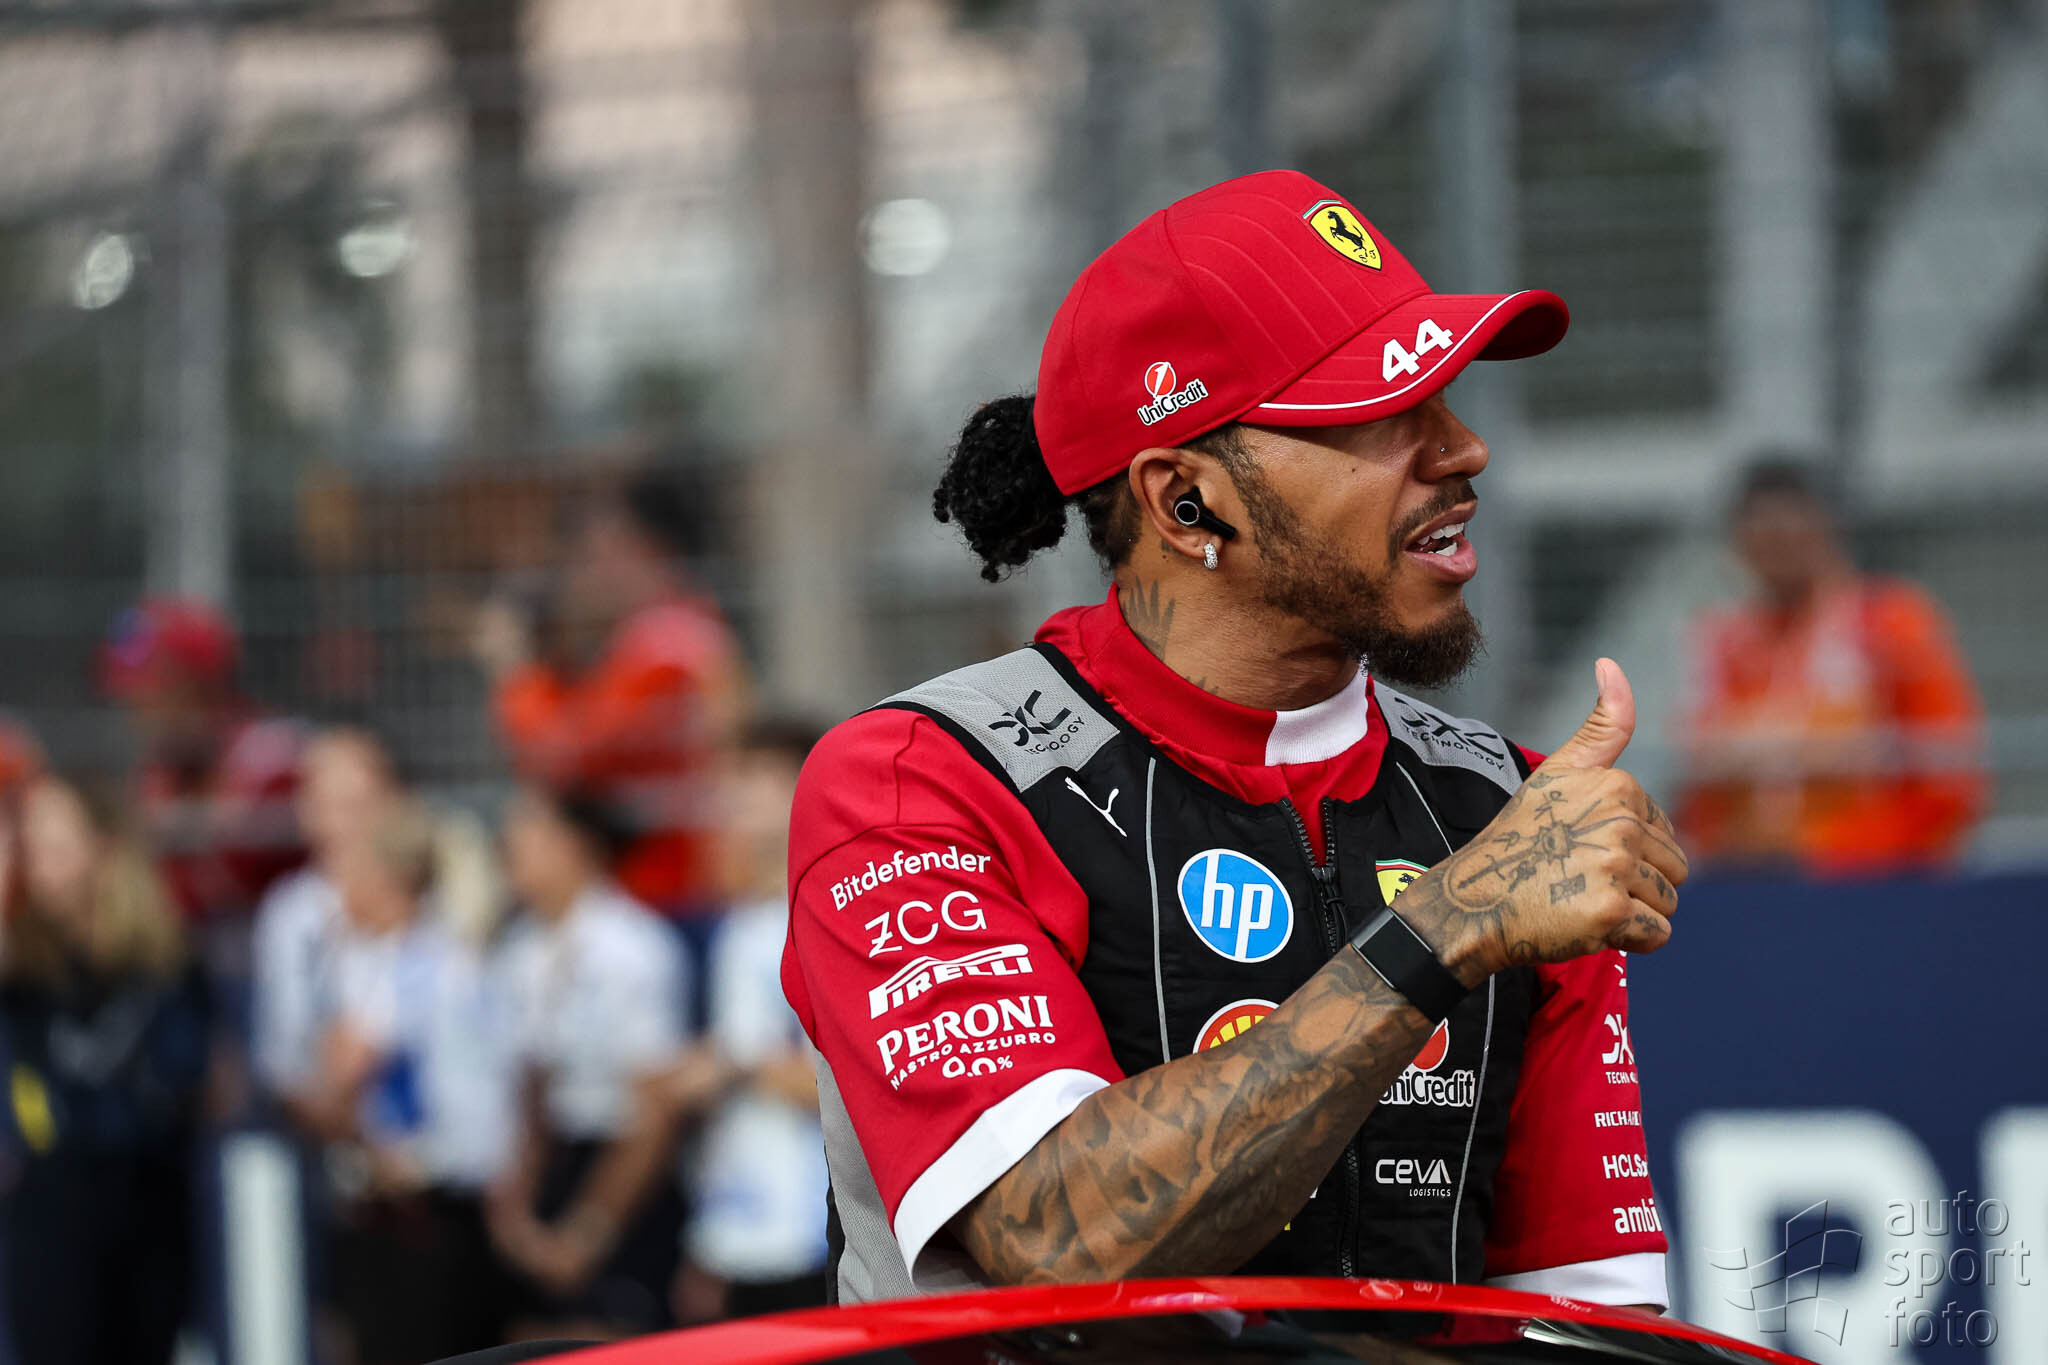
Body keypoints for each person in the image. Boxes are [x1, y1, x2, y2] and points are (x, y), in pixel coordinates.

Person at [782, 171, 1686, 1308]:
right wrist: (1449, 924)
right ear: (1185, 501)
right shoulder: (921, 781)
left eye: (1446, 397)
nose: (1463, 450)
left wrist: (1487, 893)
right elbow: (1057, 1235)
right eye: (1381, 411)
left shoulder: (1513, 811)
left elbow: (1588, 1317)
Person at [1677, 459, 1987, 875]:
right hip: (1747, 878)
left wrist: (1837, 846)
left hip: (1873, 877)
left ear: (1828, 529)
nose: (1778, 551)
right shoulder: (1724, 642)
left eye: (1790, 533)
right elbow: (1697, 775)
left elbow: (1950, 773)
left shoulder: (1891, 623)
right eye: (1763, 537)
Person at [477, 470, 745, 931]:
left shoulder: (669, 641)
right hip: (661, 884)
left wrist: (517, 674)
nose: (588, 574)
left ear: (642, 550)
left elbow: (560, 754)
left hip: (675, 890)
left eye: (599, 553)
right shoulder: (658, 635)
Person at [300, 797, 518, 1365]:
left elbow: (338, 1085)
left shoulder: (418, 966)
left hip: (424, 1208)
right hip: (423, 1202)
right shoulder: (419, 958)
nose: (337, 890)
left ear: (388, 881)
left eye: (348, 873)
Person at [0, 775, 209, 1365]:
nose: (40, 866)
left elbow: (182, 1082)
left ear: (104, 846)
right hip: (51, 1214)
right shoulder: (22, 969)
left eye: (54, 846)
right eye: (29, 848)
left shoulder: (165, 963)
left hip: (149, 1207)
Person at [490, 784, 691, 1338]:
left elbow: (653, 1112)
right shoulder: (522, 950)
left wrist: (589, 1232)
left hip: (622, 1185)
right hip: (556, 1168)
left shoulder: (633, 947)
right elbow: (531, 1089)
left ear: (575, 845)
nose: (510, 843)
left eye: (529, 829)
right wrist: (516, 1213)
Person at [677, 719, 831, 1322]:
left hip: (818, 1233)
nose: (732, 796)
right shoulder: (738, 926)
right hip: (743, 1238)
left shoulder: (830, 914)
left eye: (754, 776)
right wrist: (710, 1238)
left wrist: (733, 1067)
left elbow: (849, 1084)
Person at [101, 598, 306, 923]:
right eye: (133, 697)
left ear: (203, 686)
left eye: (156, 692)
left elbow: (224, 887)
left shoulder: (273, 761)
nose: (139, 712)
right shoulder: (162, 771)